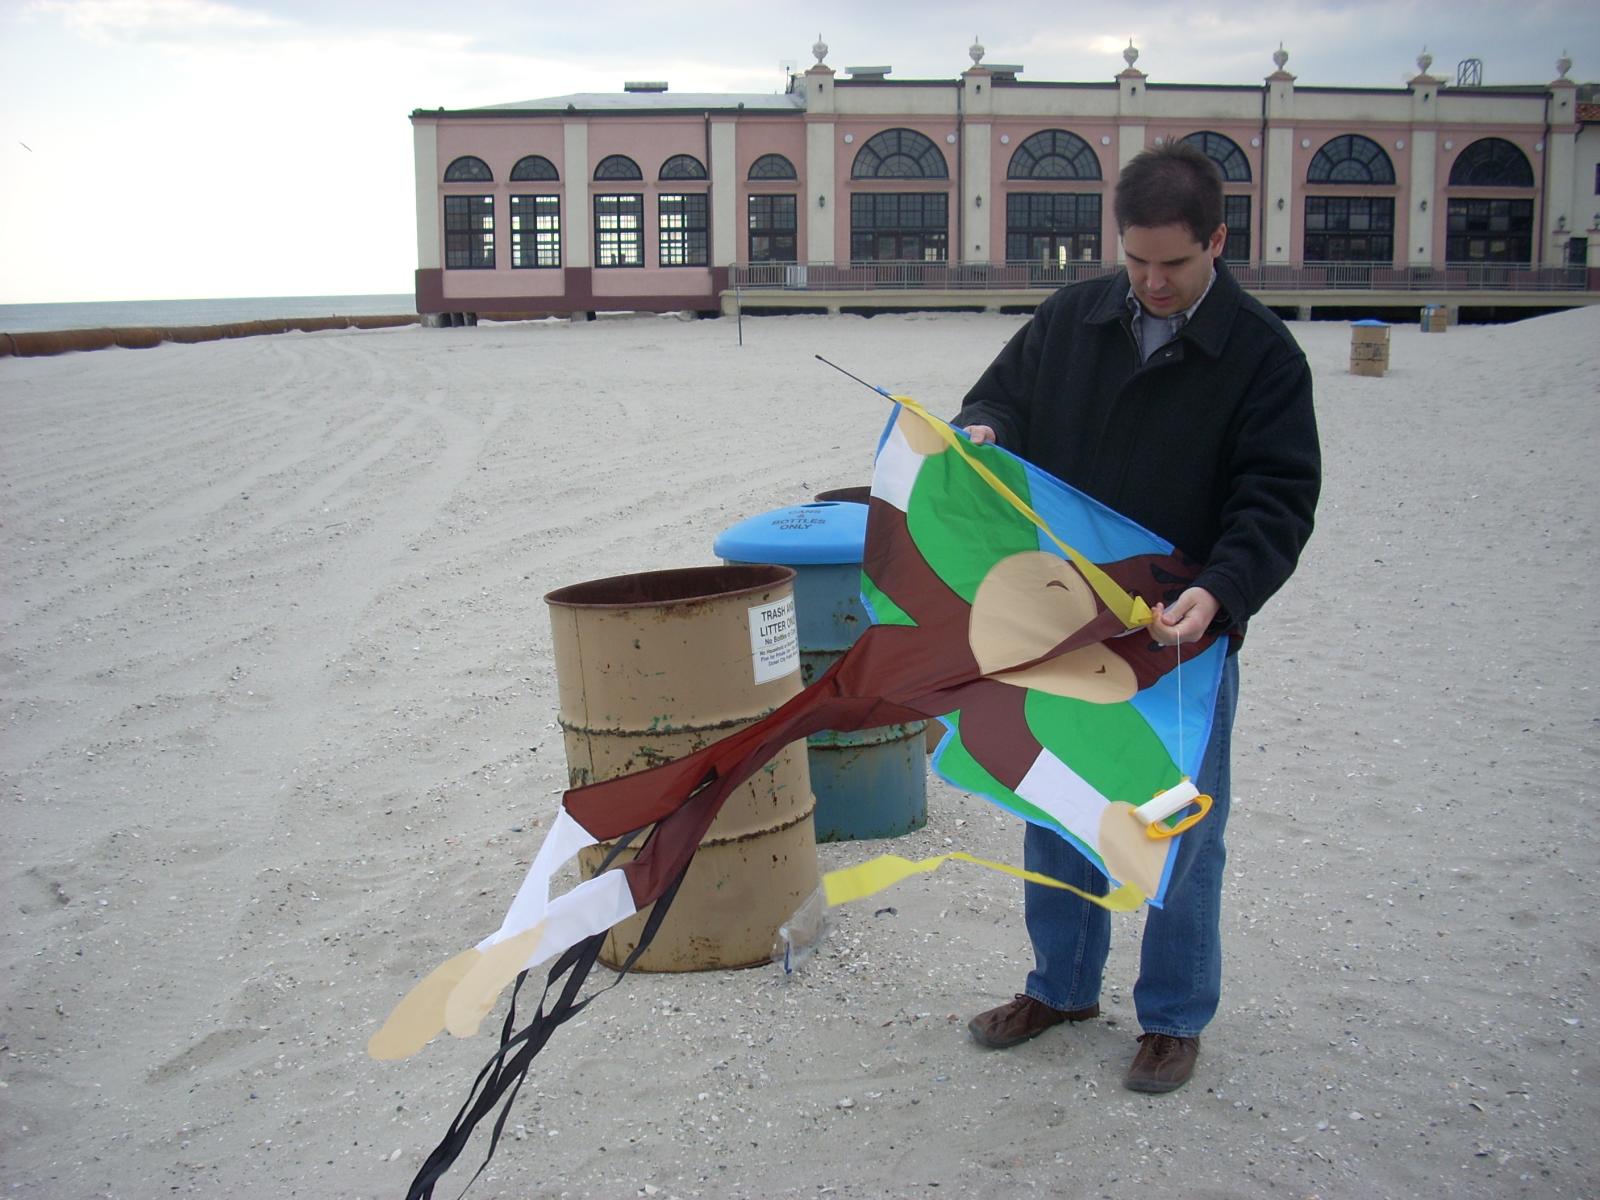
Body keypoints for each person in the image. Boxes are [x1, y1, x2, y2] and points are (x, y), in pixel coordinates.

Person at [954, 142, 1320, 1093]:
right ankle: (1062, 987)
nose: (1154, 282)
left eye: (1176, 263)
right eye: (1137, 260)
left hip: (1181, 635)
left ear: (1219, 242)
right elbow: (1000, 397)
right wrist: (985, 429)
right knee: (1057, 802)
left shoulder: (1264, 356)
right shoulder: (1071, 316)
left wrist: (1224, 589)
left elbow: (1276, 499)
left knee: (1179, 829)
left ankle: (1172, 1017)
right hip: (1065, 624)